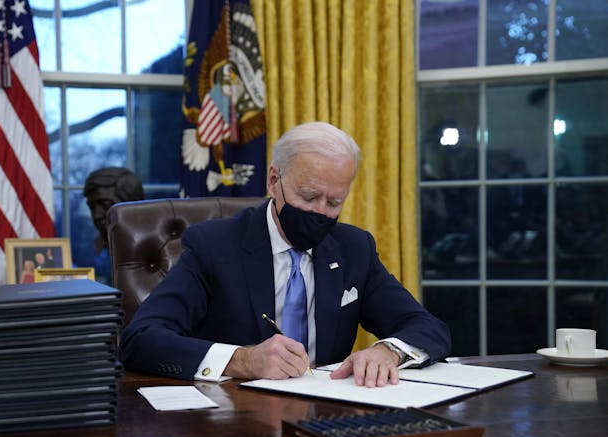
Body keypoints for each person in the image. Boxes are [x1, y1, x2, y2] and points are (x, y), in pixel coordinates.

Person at [119, 122, 451, 387]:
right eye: (308, 197)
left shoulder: (353, 249)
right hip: (233, 424)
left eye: (334, 202)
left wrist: (388, 351)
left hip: (326, 419)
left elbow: (426, 327)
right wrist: (242, 360)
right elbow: (141, 339)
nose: (320, 212)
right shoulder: (214, 246)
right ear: (274, 179)